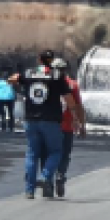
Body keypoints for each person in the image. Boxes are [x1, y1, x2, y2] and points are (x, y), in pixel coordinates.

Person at [9, 50, 85, 199]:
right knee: (56, 152)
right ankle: (45, 176)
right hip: (51, 120)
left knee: (32, 154)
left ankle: (29, 190)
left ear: (39, 59)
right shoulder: (57, 76)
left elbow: (11, 79)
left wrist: (19, 84)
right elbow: (70, 100)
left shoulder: (29, 73)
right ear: (52, 61)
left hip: (31, 120)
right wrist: (76, 118)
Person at [47, 58, 85, 197]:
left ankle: (48, 180)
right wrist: (82, 126)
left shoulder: (46, 83)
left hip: (50, 125)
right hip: (67, 126)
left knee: (49, 154)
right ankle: (60, 175)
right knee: (64, 154)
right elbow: (79, 106)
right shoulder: (73, 85)